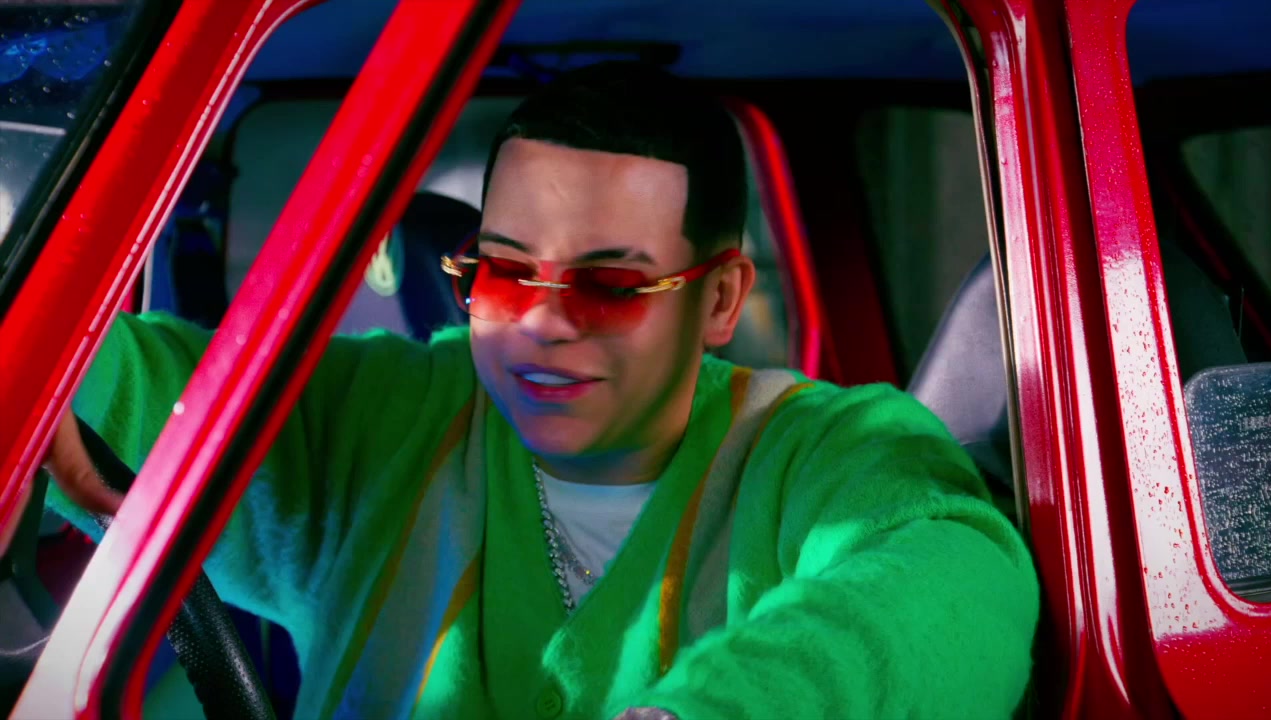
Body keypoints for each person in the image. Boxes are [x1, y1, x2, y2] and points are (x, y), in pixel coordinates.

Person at [41, 62, 1039, 719]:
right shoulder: (379, 418)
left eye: (608, 285)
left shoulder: (825, 452)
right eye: (507, 272)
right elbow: (132, 388)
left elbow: (948, 587)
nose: (542, 323)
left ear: (721, 298)